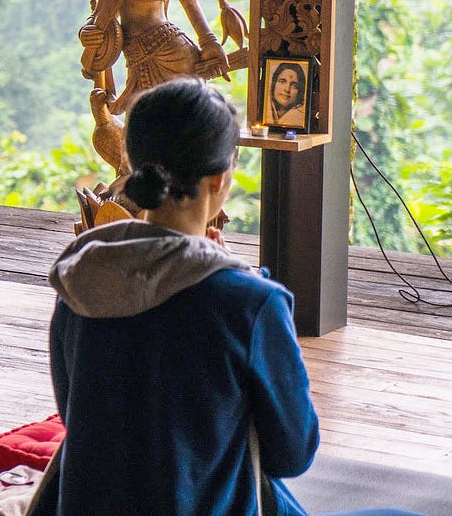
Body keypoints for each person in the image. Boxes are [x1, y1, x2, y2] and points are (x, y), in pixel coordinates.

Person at [46, 77, 318, 515]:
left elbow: (74, 417)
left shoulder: (79, 281)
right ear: (221, 177)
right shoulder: (249, 304)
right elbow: (292, 453)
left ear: (131, 162)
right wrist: (231, 278)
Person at [266, 61, 307, 129]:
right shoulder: (264, 114)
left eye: (294, 85)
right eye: (282, 81)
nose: (287, 89)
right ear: (273, 84)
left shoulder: (299, 120)